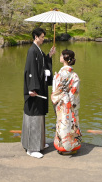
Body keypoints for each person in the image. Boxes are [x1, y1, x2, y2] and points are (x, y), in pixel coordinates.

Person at [22, 27, 56, 158]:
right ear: (36, 37)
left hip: (39, 88)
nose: (43, 39)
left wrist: (49, 56)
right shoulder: (32, 51)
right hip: (34, 89)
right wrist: (32, 88)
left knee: (40, 115)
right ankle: (31, 148)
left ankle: (39, 143)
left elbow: (41, 66)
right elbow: (30, 71)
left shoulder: (38, 50)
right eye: (42, 37)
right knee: (34, 116)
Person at [51, 49, 82, 155]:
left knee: (62, 124)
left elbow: (57, 89)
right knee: (72, 124)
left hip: (62, 102)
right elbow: (74, 91)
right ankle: (73, 145)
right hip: (70, 102)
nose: (59, 57)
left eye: (61, 55)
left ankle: (63, 147)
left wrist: (55, 79)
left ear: (64, 58)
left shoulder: (61, 74)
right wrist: (73, 102)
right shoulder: (74, 75)